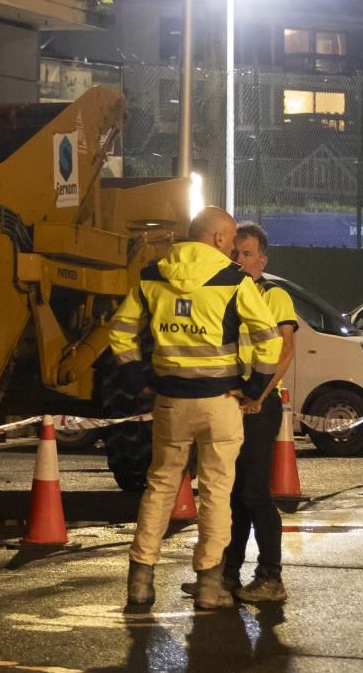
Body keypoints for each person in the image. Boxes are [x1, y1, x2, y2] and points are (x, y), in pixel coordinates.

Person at [109, 206, 282, 610]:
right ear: (219, 238)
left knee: (160, 486)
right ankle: (208, 585)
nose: (233, 249)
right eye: (231, 240)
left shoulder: (152, 276)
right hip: (220, 402)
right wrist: (253, 389)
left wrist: (138, 379)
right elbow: (268, 338)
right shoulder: (233, 280)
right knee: (217, 492)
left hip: (170, 402)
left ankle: (140, 580)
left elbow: (120, 331)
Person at [221, 222, 298, 603]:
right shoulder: (228, 292)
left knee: (254, 494)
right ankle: (227, 576)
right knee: (233, 496)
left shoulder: (273, 295)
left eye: (247, 254)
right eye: (235, 253)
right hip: (233, 403)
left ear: (262, 260)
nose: (240, 259)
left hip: (258, 404)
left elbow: (284, 352)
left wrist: (257, 396)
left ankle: (271, 577)